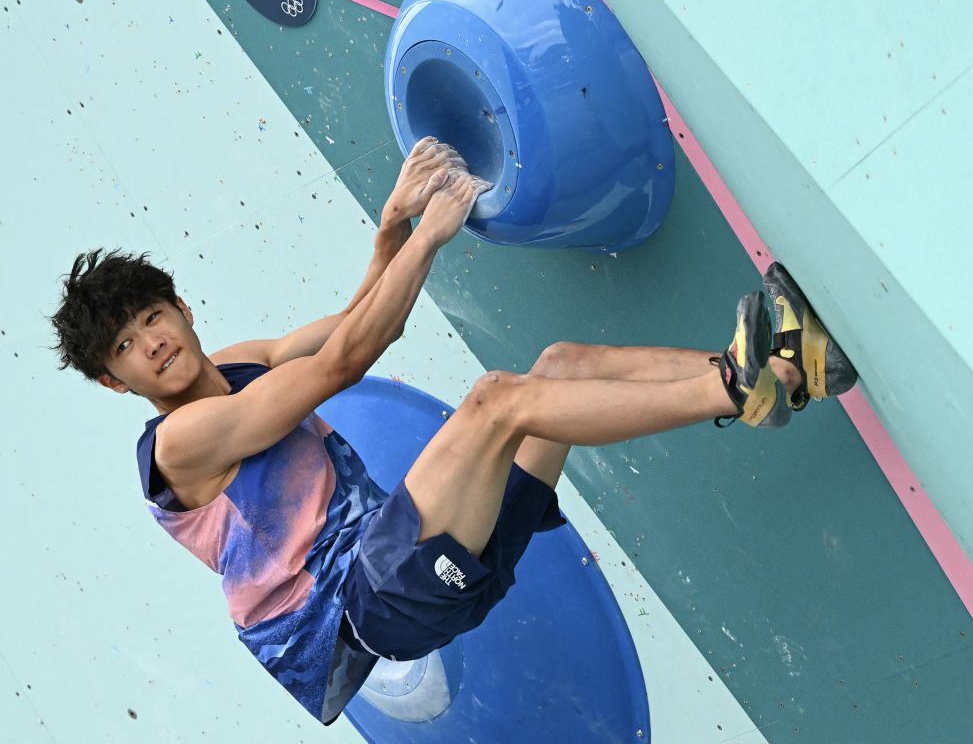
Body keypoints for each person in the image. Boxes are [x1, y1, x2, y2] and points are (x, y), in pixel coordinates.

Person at [49, 136, 858, 724]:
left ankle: (790, 366)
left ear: (182, 308)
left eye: (152, 316)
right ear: (112, 380)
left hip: (414, 558)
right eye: (124, 347)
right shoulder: (178, 446)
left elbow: (348, 329)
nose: (151, 342)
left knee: (561, 367)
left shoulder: (239, 363)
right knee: (498, 402)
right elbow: (342, 364)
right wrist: (434, 232)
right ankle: (735, 386)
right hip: (370, 601)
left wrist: (390, 232)